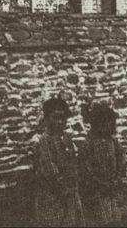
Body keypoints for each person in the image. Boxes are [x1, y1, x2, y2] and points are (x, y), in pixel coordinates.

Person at [34, 96, 84, 227]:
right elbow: (49, 168)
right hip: (53, 195)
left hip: (70, 193)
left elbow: (73, 161)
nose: (60, 122)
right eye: (55, 118)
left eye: (63, 118)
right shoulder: (45, 141)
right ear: (46, 119)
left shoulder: (66, 138)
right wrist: (63, 187)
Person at [78, 103, 125, 226]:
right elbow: (86, 169)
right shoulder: (88, 144)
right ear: (98, 124)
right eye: (110, 124)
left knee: (115, 217)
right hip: (97, 191)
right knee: (100, 219)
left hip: (112, 187)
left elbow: (120, 158)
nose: (113, 127)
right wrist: (100, 183)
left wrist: (117, 177)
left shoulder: (113, 141)